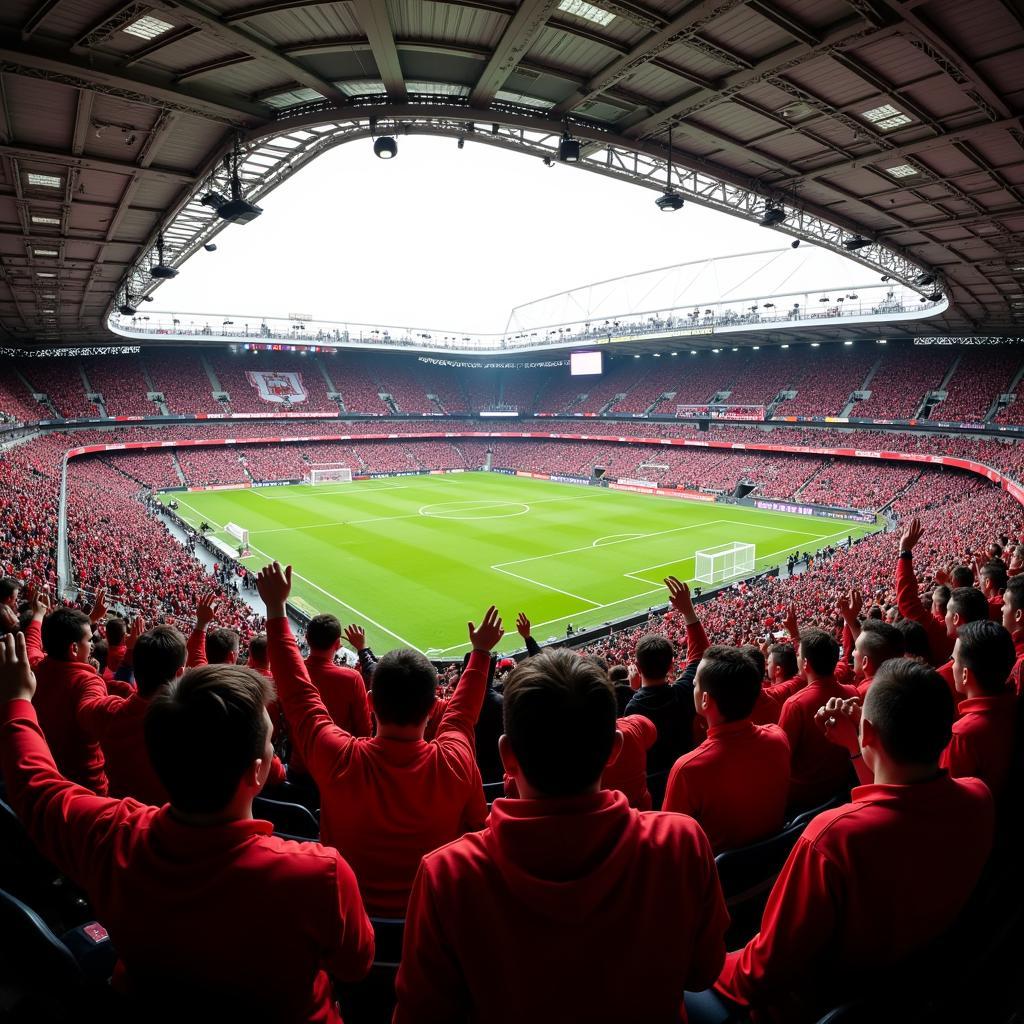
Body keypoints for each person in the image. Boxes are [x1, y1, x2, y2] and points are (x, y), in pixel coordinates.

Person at [0, 630, 374, 1022]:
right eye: (268, 740)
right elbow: (355, 965)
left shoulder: (110, 836)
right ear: (259, 771)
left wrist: (17, 701)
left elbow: (35, 788)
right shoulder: (321, 874)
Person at [393, 648, 729, 1024]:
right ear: (614, 750)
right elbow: (703, 971)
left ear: (507, 757)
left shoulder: (446, 876)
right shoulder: (681, 841)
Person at [712, 658, 994, 1022]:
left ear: (872, 731)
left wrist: (704, 967)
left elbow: (762, 972)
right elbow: (898, 807)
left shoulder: (832, 839)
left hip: (819, 1002)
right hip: (914, 986)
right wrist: (858, 745)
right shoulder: (979, 797)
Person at [257, 562, 494, 917]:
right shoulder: (454, 761)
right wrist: (481, 653)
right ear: (433, 708)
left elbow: (299, 695)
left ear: (370, 701)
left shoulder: (339, 758)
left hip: (349, 919)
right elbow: (461, 716)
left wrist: (276, 610)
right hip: (432, 921)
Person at [663, 646, 790, 852]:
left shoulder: (687, 770)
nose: (692, 685)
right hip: (777, 862)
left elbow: (671, 844)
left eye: (695, 683)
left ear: (705, 700)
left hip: (721, 879)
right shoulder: (778, 737)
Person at [625, 577, 707, 803]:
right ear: (672, 666)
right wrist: (688, 611)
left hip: (653, 790)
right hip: (687, 778)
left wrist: (633, 691)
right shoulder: (684, 693)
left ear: (638, 668)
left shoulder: (632, 708)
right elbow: (700, 656)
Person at [24, 594, 108, 794]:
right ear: (74, 648)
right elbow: (95, 712)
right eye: (90, 639)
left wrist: (38, 615)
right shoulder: (89, 683)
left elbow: (32, 645)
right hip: (85, 789)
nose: (93, 643)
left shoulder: (35, 666)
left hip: (42, 771)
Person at [777, 628, 856, 810]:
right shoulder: (852, 692)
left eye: (798, 654)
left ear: (805, 663)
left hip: (803, 800)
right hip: (841, 789)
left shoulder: (795, 704)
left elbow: (782, 760)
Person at [942, 619, 1017, 801]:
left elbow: (945, 799)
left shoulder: (963, 735)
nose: (951, 666)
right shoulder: (1015, 705)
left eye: (953, 659)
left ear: (966, 674)